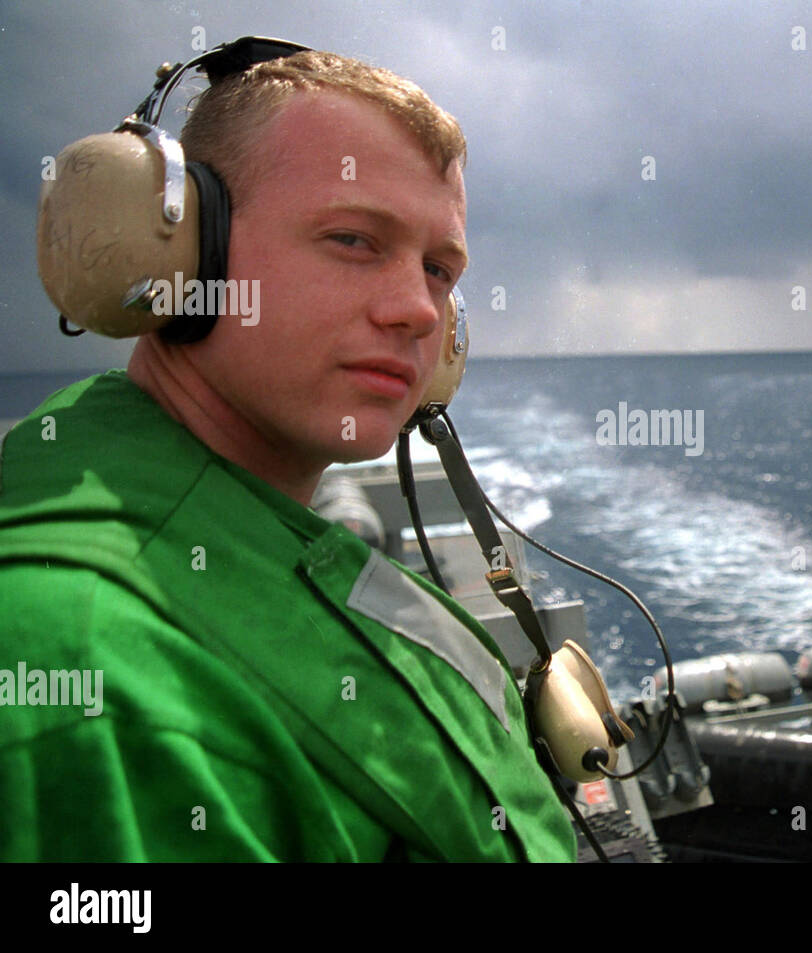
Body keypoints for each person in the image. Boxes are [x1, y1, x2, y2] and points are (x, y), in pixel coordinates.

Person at [0, 45, 577, 861]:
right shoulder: (81, 668)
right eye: (353, 239)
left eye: (440, 269)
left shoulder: (252, 528)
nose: (419, 310)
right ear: (179, 254)